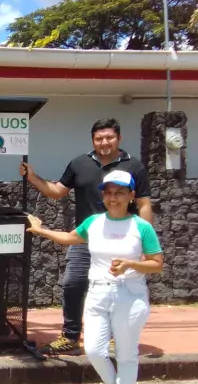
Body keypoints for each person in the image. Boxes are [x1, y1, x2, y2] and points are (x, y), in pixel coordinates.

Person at [26, 170, 164, 384]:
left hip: (130, 294)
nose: (113, 198)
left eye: (120, 192)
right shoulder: (94, 222)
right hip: (99, 293)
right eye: (109, 192)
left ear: (131, 196)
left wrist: (131, 265)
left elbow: (157, 264)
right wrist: (41, 230)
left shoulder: (141, 227)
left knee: (126, 354)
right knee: (94, 350)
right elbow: (70, 238)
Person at [19, 118, 153, 355]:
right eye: (99, 138)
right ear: (93, 140)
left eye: (109, 137)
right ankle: (70, 336)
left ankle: (115, 338)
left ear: (119, 139)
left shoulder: (134, 166)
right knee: (73, 284)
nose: (105, 143)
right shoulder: (79, 163)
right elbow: (58, 191)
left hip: (120, 239)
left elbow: (143, 204)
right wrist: (32, 176)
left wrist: (144, 238)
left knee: (116, 288)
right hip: (84, 237)